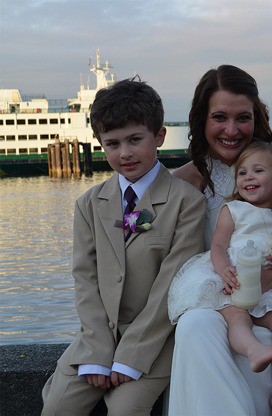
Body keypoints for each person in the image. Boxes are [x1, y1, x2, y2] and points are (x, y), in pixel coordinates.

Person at [41, 78, 206, 415]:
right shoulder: (89, 204)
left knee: (125, 410)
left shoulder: (186, 202)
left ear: (158, 136)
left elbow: (170, 285)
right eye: (112, 143)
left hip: (155, 341)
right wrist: (99, 350)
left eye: (135, 140)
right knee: (57, 406)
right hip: (96, 338)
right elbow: (85, 279)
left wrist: (131, 355)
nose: (125, 153)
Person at [167, 65, 272, 416]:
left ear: (258, 118)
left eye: (243, 117)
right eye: (219, 117)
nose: (231, 130)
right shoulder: (183, 182)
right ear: (201, 120)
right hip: (220, 295)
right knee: (194, 326)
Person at [168, 141, 272, 416]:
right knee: (238, 318)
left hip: (266, 288)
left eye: (257, 171)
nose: (248, 177)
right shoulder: (233, 210)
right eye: (242, 173)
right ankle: (254, 350)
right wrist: (223, 271)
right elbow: (218, 246)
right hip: (233, 284)